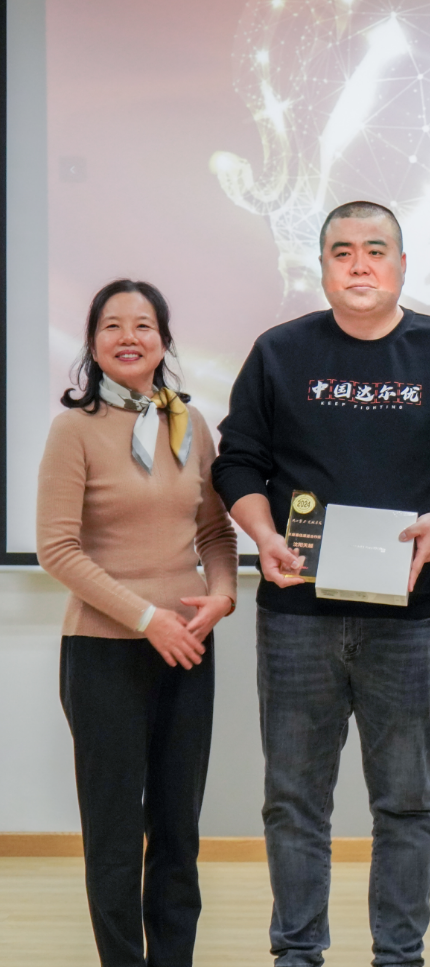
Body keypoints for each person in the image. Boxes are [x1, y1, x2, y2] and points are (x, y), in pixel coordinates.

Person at [210, 200, 430, 967]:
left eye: (375, 249)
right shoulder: (281, 351)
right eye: (341, 251)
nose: (359, 264)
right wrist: (264, 535)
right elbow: (238, 460)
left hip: (410, 617)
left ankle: (399, 954)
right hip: (297, 613)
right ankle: (297, 951)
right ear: (320, 266)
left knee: (406, 800)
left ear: (403, 263)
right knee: (293, 799)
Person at [37, 279, 238, 967]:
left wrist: (222, 595)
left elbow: (215, 532)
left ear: (163, 340)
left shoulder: (190, 423)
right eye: (112, 325)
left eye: (143, 325)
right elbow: (57, 549)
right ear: (93, 343)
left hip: (189, 647)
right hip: (104, 651)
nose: (129, 337)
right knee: (115, 834)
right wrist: (148, 617)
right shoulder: (73, 430)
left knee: (178, 828)